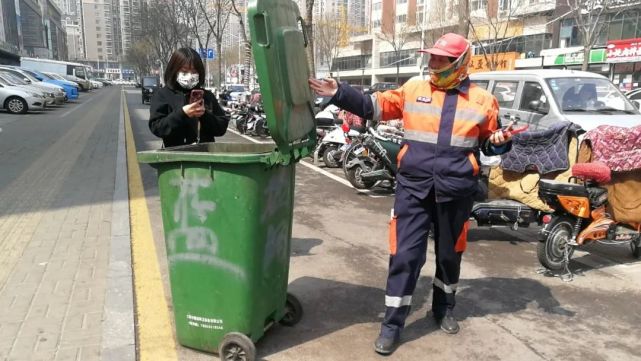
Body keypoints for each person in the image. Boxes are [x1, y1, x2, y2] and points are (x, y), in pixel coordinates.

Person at [309, 33, 513, 355]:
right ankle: (392, 325)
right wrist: (340, 93)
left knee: (449, 255)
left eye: (440, 59)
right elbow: (374, 106)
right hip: (413, 190)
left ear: (460, 64)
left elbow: (489, 143)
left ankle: (443, 309)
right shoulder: (413, 89)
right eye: (431, 57)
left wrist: (500, 141)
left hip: (455, 191)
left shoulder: (483, 101)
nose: (433, 64)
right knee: (404, 257)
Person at [149, 48, 229, 147]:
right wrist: (182, 114)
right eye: (184, 71)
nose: (190, 76)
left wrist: (204, 115)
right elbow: (157, 128)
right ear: (174, 70)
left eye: (194, 71)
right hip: (174, 157)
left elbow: (220, 129)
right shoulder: (162, 95)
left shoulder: (207, 96)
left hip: (204, 158)